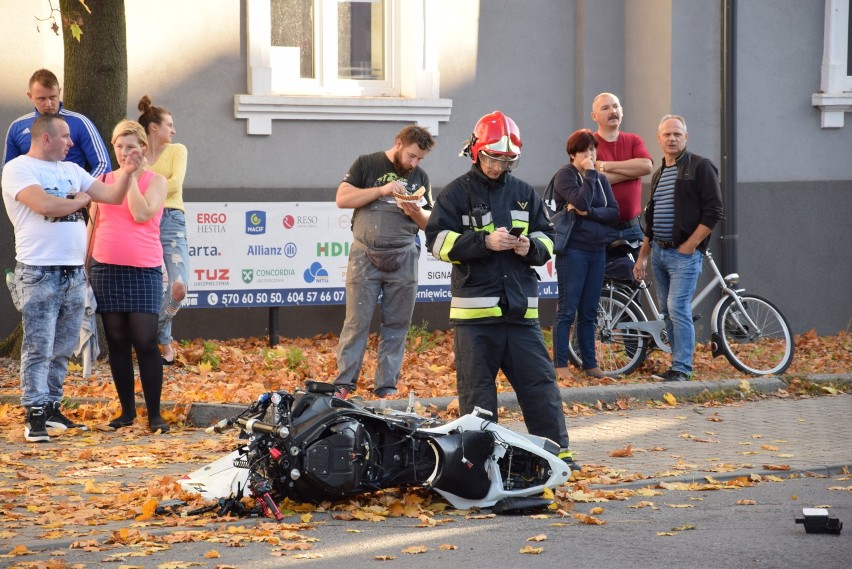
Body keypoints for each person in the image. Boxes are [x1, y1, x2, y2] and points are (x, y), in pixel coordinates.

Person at [425, 111, 579, 471]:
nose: (499, 166)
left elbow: (548, 237)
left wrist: (532, 249)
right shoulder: (456, 193)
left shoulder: (524, 193)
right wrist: (484, 242)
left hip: (520, 314)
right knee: (478, 396)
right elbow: (437, 242)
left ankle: (558, 457)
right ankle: (480, 467)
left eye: (507, 160)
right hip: (476, 319)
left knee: (541, 388)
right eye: (494, 158)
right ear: (476, 152)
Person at [2, 114, 140, 442]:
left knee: (63, 346)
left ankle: (51, 408)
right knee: (38, 346)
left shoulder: (71, 171)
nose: (72, 142)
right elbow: (46, 205)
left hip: (74, 274)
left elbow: (112, 196)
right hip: (38, 272)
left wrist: (129, 172)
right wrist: (79, 200)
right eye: (65, 136)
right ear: (45, 138)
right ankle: (33, 415)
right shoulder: (18, 169)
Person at [332, 125, 436, 399]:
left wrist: (415, 211)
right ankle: (344, 384)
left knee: (397, 325)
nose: (414, 163)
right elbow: (342, 199)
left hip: (404, 257)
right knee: (356, 322)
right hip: (364, 256)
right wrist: (383, 190)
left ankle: (386, 387)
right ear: (399, 143)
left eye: (420, 159)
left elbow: (428, 223)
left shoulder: (420, 177)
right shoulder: (367, 164)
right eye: (412, 155)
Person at [88, 120, 169, 432]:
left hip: (144, 270)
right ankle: (126, 412)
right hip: (105, 269)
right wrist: (83, 267)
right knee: (118, 342)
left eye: (131, 147)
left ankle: (155, 414)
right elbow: (93, 224)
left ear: (143, 149)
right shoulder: (102, 181)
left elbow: (141, 213)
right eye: (119, 147)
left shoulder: (157, 181)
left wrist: (130, 177)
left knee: (146, 340)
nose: (124, 152)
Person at [632, 115, 723, 382]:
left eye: (677, 134)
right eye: (667, 135)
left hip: (683, 254)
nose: (672, 139)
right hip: (659, 253)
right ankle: (676, 364)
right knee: (667, 312)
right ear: (659, 138)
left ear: (686, 137)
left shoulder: (700, 167)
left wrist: (690, 245)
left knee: (677, 307)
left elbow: (714, 211)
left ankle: (683, 368)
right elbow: (652, 219)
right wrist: (643, 258)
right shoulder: (659, 172)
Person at [551, 129, 620, 380]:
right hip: (574, 251)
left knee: (590, 311)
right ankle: (560, 364)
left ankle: (590, 364)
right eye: (584, 151)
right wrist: (590, 174)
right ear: (572, 154)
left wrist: (589, 213)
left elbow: (614, 212)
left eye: (593, 149)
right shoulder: (565, 175)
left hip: (597, 250)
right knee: (567, 309)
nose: (590, 155)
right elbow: (579, 202)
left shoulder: (600, 179)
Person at [137, 95, 189, 365]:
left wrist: (148, 186)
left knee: (179, 287)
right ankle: (165, 343)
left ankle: (147, 335)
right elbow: (132, 185)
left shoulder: (177, 150)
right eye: (169, 124)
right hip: (144, 219)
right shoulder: (139, 153)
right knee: (154, 287)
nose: (174, 129)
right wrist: (153, 185)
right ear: (154, 127)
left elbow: (175, 184)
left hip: (171, 218)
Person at [4, 69, 111, 176]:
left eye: (52, 97)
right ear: (30, 96)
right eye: (41, 99)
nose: (48, 104)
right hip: (32, 189)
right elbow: (7, 170)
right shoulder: (17, 127)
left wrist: (80, 190)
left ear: (59, 92)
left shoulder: (80, 123)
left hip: (74, 189)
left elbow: (103, 165)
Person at [590, 92, 653, 248]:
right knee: (601, 273)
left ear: (622, 111)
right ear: (594, 116)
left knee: (635, 273)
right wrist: (632, 172)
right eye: (605, 108)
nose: (613, 111)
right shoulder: (588, 143)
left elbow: (646, 166)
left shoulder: (633, 140)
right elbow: (593, 179)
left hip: (632, 228)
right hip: (600, 229)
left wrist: (605, 165)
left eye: (616, 106)